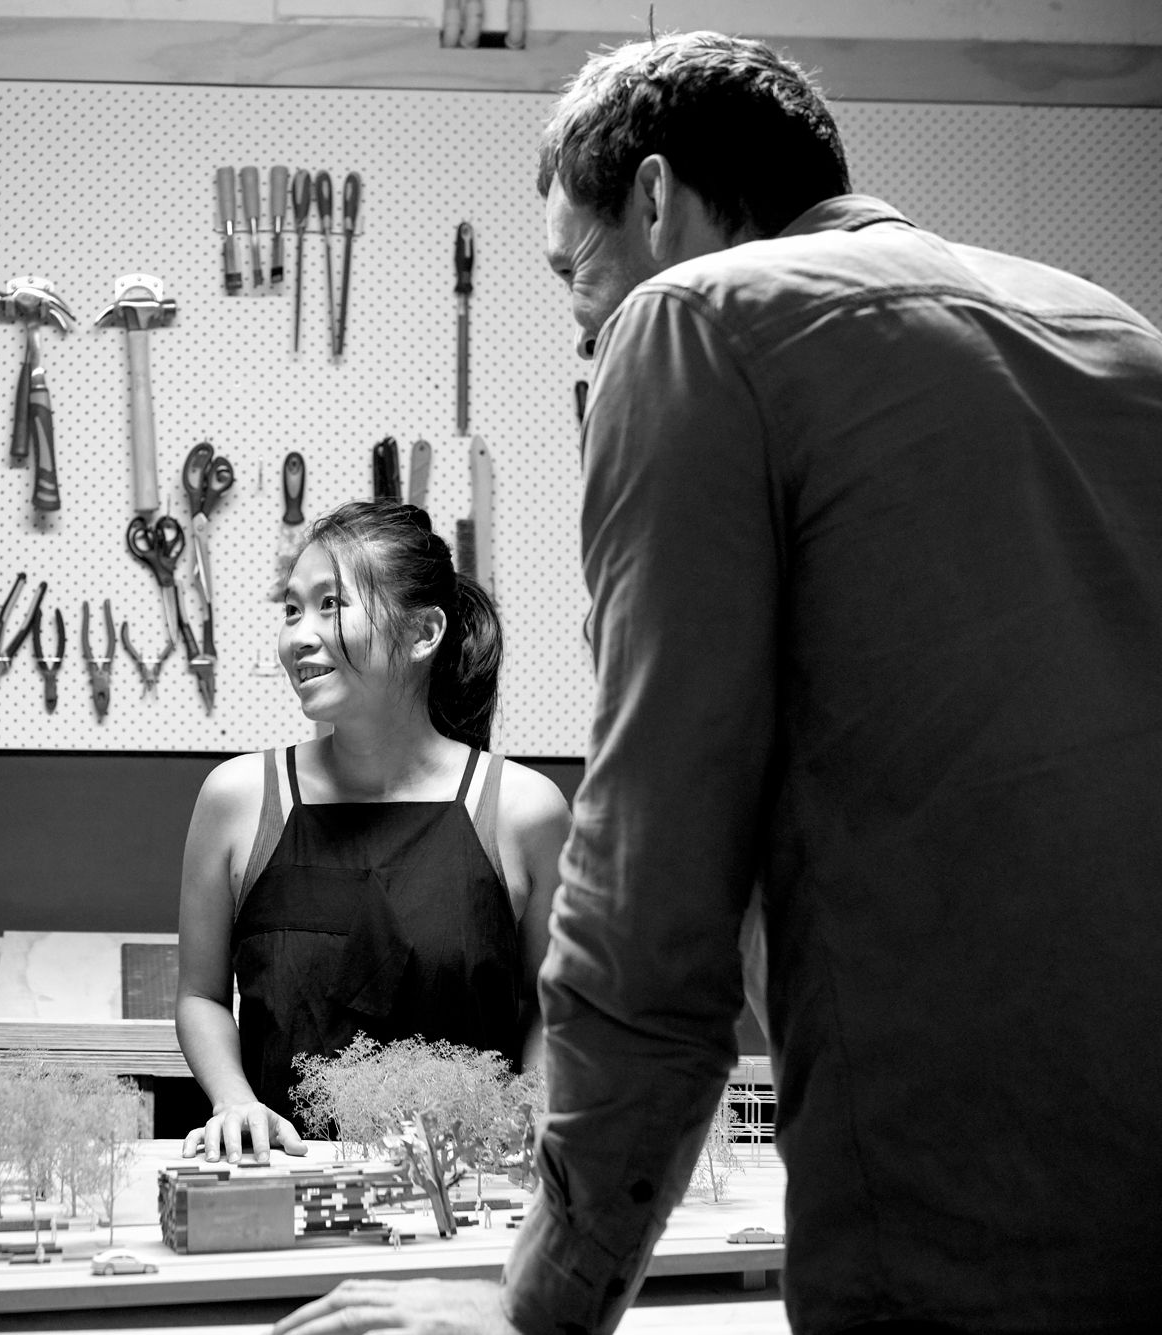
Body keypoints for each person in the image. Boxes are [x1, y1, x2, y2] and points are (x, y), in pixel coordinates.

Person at [276, 31, 1162, 1335]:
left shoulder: (691, 321)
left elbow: (649, 881)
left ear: (655, 199)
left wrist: (544, 1301)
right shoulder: (1115, 335)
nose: (581, 321)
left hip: (957, 1239)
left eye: (572, 270)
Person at [175, 501, 570, 1163]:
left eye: (330, 605)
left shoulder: (522, 810)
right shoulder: (238, 799)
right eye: (292, 610)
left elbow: (552, 1006)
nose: (298, 637)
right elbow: (200, 996)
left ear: (423, 632)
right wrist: (233, 1100)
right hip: (283, 1186)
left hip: (468, 1192)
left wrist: (537, 1113)